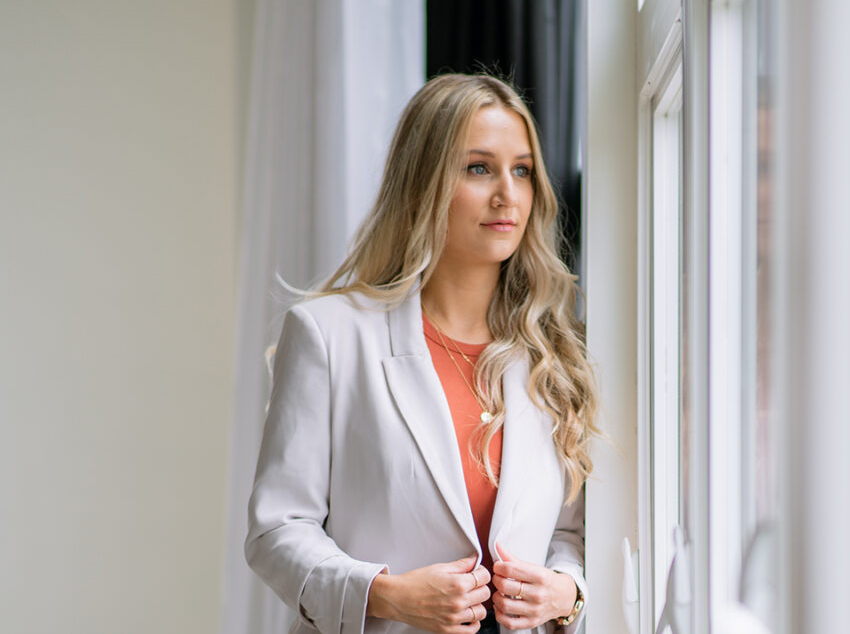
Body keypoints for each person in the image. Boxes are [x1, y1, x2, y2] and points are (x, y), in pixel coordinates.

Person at [245, 74, 599, 634]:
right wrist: (385, 594)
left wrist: (566, 591)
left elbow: (568, 534)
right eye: (479, 168)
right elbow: (277, 531)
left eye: (523, 170)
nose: (508, 193)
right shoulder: (329, 334)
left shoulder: (555, 356)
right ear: (424, 182)